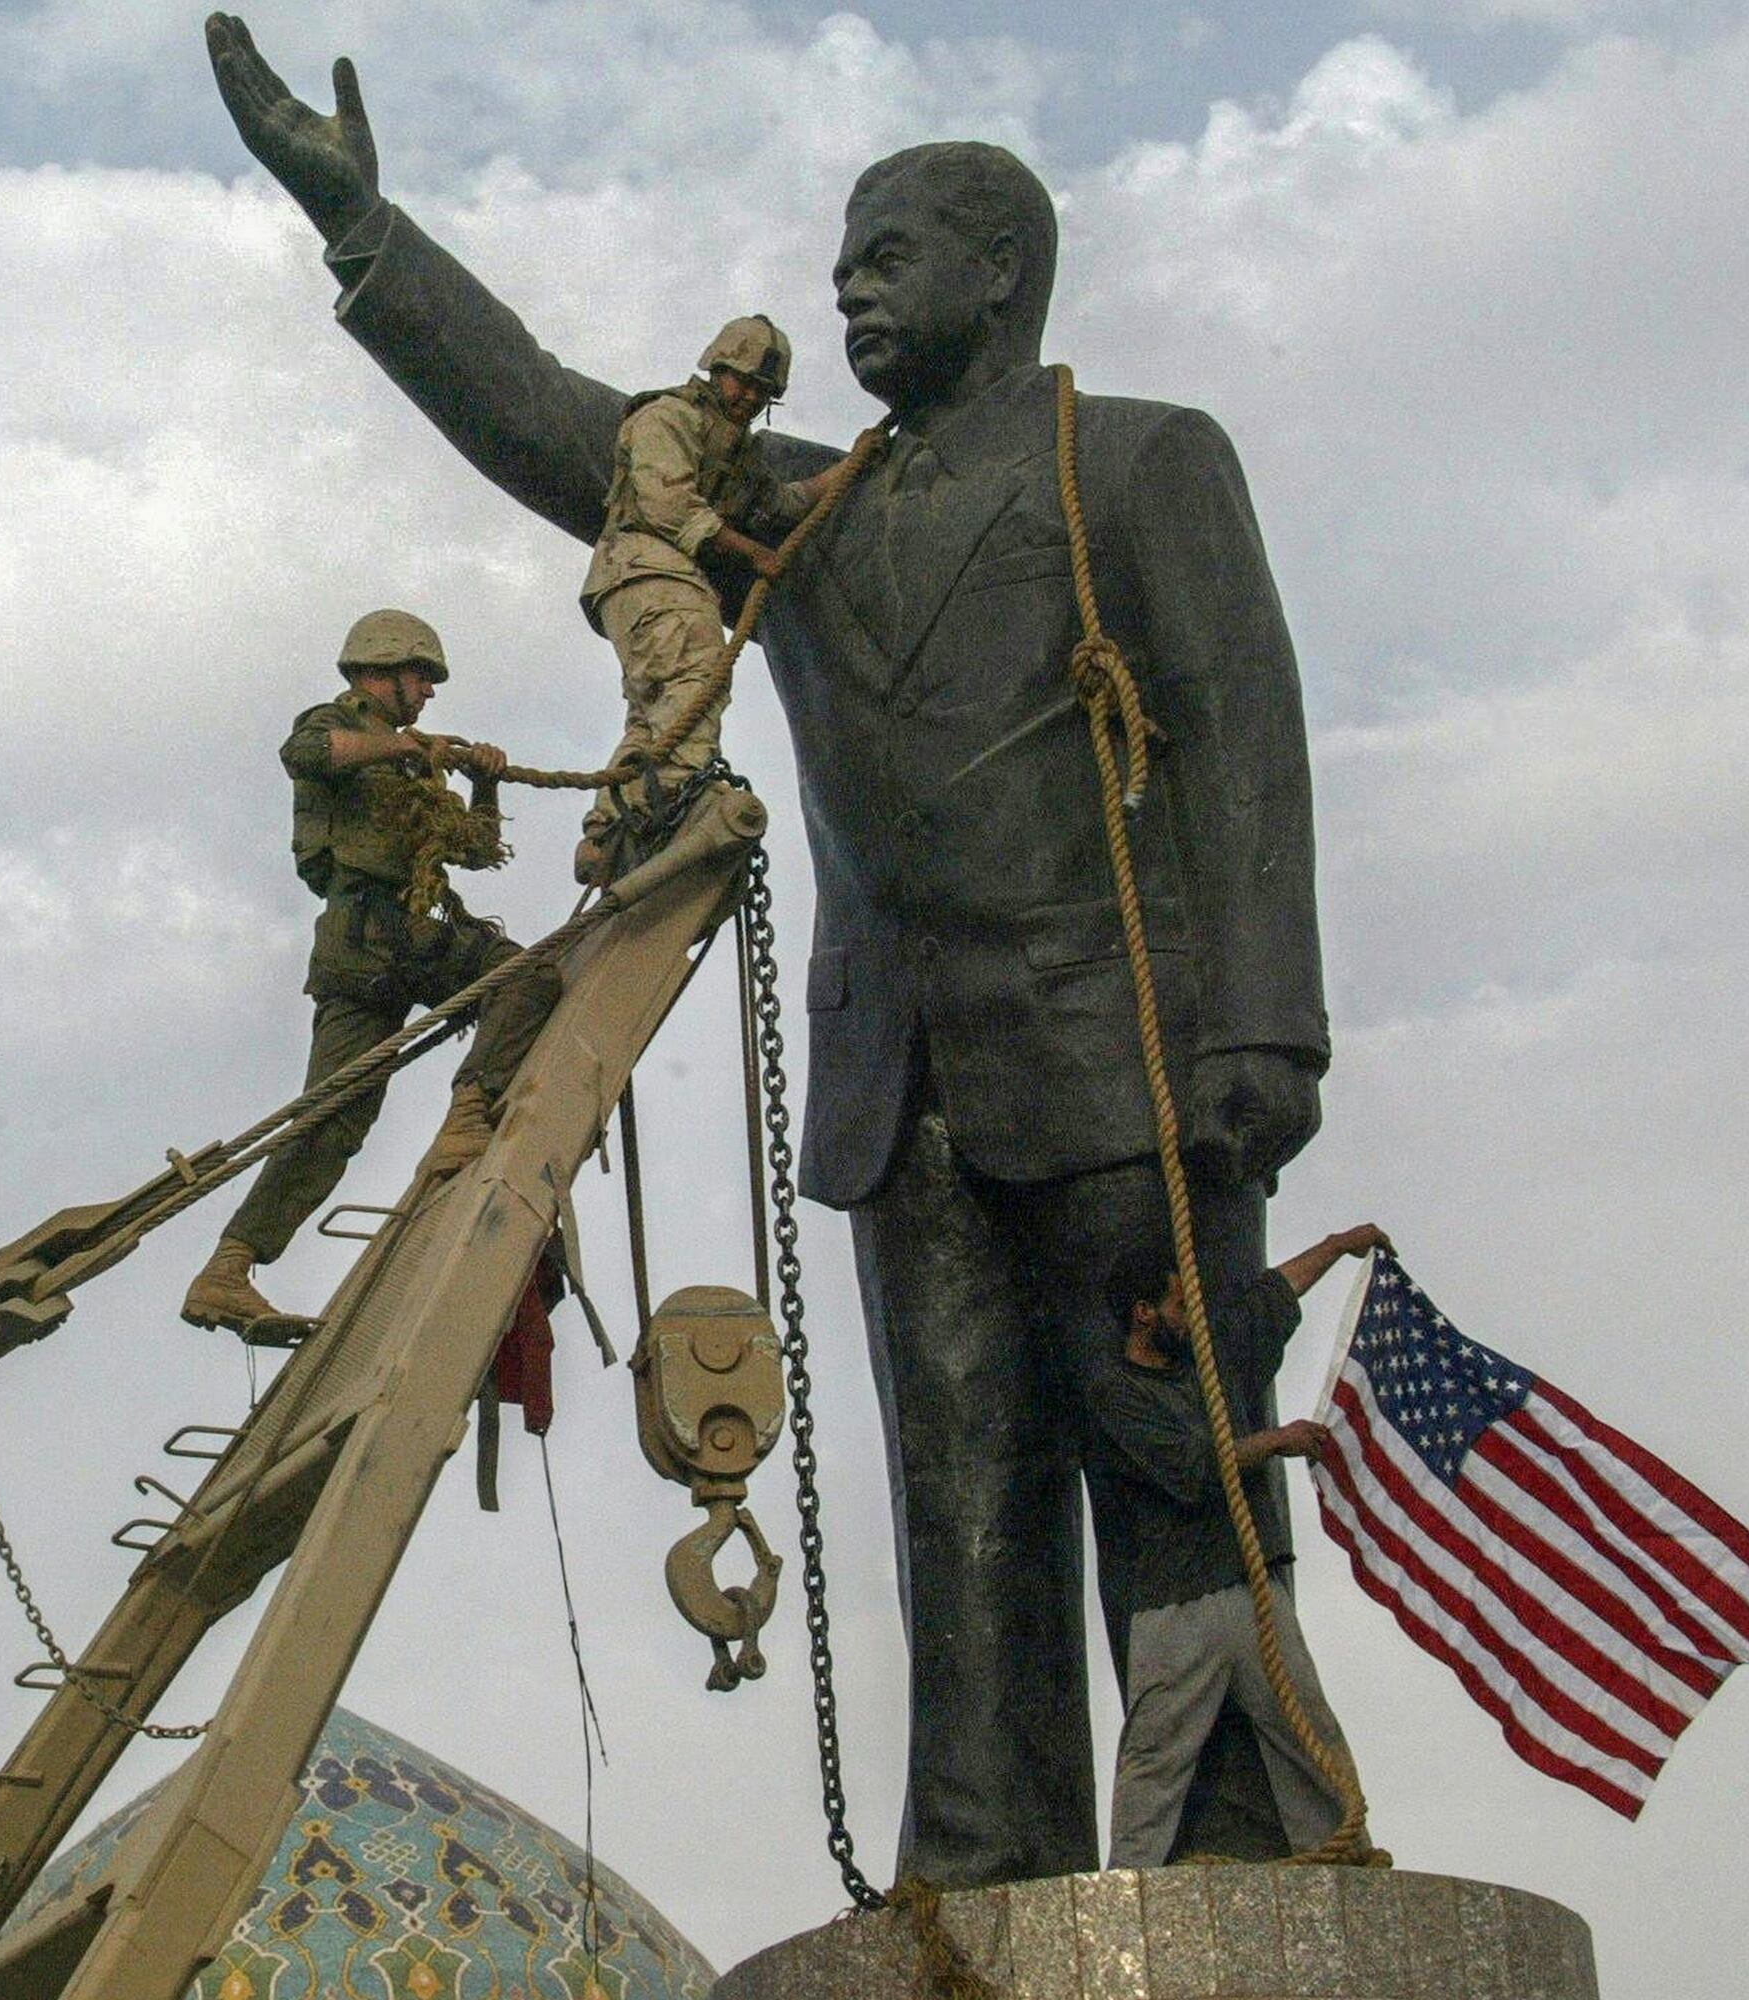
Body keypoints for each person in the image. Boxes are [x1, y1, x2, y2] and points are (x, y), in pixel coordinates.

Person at [210, 18, 1331, 1884]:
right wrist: (367, 237)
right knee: (956, 1495)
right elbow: (573, 428)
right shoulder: (791, 516)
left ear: (1003, 271)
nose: (848, 294)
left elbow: (1245, 738)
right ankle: (984, 1863)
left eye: (888, 261)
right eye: (838, 268)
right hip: (905, 1086)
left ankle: (1231, 1839)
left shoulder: (1136, 465)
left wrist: (1265, 1038)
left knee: (1170, 1449)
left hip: (1129, 1052)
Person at [180, 609, 562, 1338]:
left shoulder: (408, 757)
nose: (426, 693)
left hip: (371, 943)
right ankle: (469, 1113)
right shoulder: (340, 728)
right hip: (375, 931)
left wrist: (483, 783)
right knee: (528, 978)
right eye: (420, 677)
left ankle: (227, 1268)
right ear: (380, 671)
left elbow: (476, 851)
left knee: (329, 1120)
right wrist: (410, 748)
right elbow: (307, 752)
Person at [1087, 1225, 1383, 1866]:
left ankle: (1343, 1861)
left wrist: (1336, 1245)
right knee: (1155, 1753)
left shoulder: (1215, 1354)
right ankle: (1129, 1884)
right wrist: (1274, 1441)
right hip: (1174, 1603)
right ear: (1143, 1315)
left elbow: (1273, 1298)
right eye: (1177, 1305)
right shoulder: (1114, 1392)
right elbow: (1191, 1468)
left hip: (1250, 1590)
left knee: (1308, 1731)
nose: (1191, 1314)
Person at [575, 316, 812, 885]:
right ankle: (661, 810)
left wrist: (857, 463)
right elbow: (668, 506)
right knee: (700, 679)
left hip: (659, 577)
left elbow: (782, 502)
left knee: (654, 709)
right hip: (644, 566)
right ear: (717, 368)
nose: (750, 397)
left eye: (763, 391)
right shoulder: (667, 417)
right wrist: (756, 555)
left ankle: (608, 832)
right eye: (743, 382)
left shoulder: (735, 451)